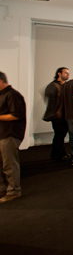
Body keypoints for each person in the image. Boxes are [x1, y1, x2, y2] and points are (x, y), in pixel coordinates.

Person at [0, 72, 26, 204]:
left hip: (10, 134)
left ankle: (14, 191)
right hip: (2, 134)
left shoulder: (12, 95)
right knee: (3, 164)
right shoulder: (3, 95)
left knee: (9, 164)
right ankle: (3, 189)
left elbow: (16, 115)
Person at [43, 67, 70, 161]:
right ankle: (58, 154)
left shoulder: (65, 85)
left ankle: (57, 153)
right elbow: (51, 101)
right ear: (59, 74)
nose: (68, 75)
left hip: (65, 114)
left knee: (61, 133)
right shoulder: (53, 86)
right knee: (60, 133)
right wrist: (57, 111)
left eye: (68, 73)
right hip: (57, 115)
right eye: (65, 73)